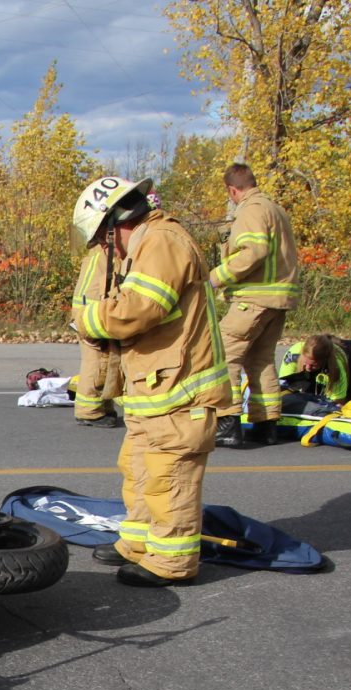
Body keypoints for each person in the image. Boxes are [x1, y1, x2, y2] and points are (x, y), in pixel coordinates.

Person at [72, 175, 232, 587]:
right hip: (155, 388)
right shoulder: (144, 243)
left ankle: (172, 562)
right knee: (139, 468)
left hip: (181, 391)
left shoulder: (161, 241)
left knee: (169, 476)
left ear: (114, 224)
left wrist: (87, 318)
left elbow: (138, 309)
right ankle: (140, 543)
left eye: (100, 238)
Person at [209, 164, 300, 448]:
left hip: (254, 298)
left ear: (232, 190)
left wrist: (215, 278)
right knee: (260, 361)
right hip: (276, 300)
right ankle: (266, 424)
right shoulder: (274, 208)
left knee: (223, 355)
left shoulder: (251, 210)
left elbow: (253, 252)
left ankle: (227, 423)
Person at [70, 244, 123, 427]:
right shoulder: (107, 253)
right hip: (92, 309)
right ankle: (89, 411)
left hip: (88, 307)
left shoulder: (99, 252)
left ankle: (103, 406)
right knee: (98, 360)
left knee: (104, 359)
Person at [277, 335, 351, 412]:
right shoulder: (293, 354)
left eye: (313, 365)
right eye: (305, 363)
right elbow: (283, 387)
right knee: (308, 394)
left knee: (349, 407)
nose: (308, 368)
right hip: (331, 361)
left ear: (324, 361)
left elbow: (337, 403)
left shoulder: (336, 366)